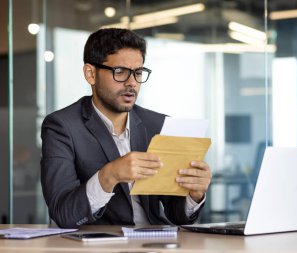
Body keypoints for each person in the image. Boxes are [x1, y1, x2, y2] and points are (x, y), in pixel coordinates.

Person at [40, 28, 212, 228]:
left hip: (158, 242)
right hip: (101, 245)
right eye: (120, 72)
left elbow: (177, 215)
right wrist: (109, 175)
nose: (132, 83)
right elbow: (63, 214)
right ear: (91, 74)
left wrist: (194, 194)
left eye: (138, 73)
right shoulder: (62, 126)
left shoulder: (158, 124)